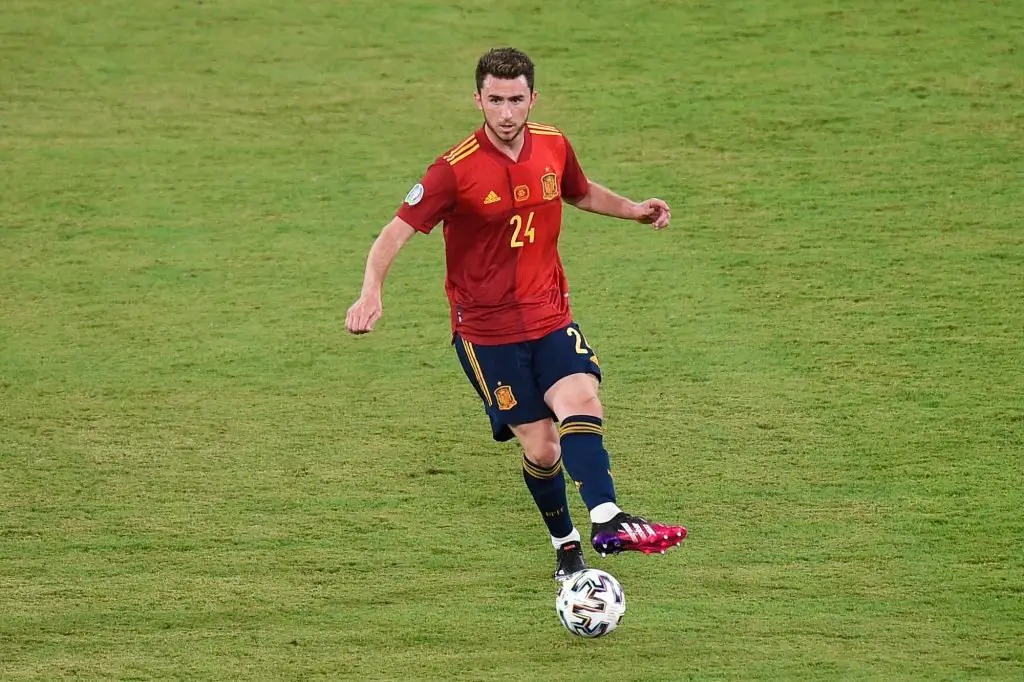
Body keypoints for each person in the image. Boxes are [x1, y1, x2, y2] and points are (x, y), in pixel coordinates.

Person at [346, 47, 686, 581]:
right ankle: (566, 546)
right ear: (478, 100)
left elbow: (579, 192)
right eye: (496, 100)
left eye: (516, 100)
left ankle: (607, 517)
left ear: (533, 99)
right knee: (543, 448)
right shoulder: (452, 171)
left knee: (581, 399)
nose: (506, 113)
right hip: (488, 334)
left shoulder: (553, 144)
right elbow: (394, 233)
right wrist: (371, 293)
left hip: (549, 314)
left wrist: (634, 210)